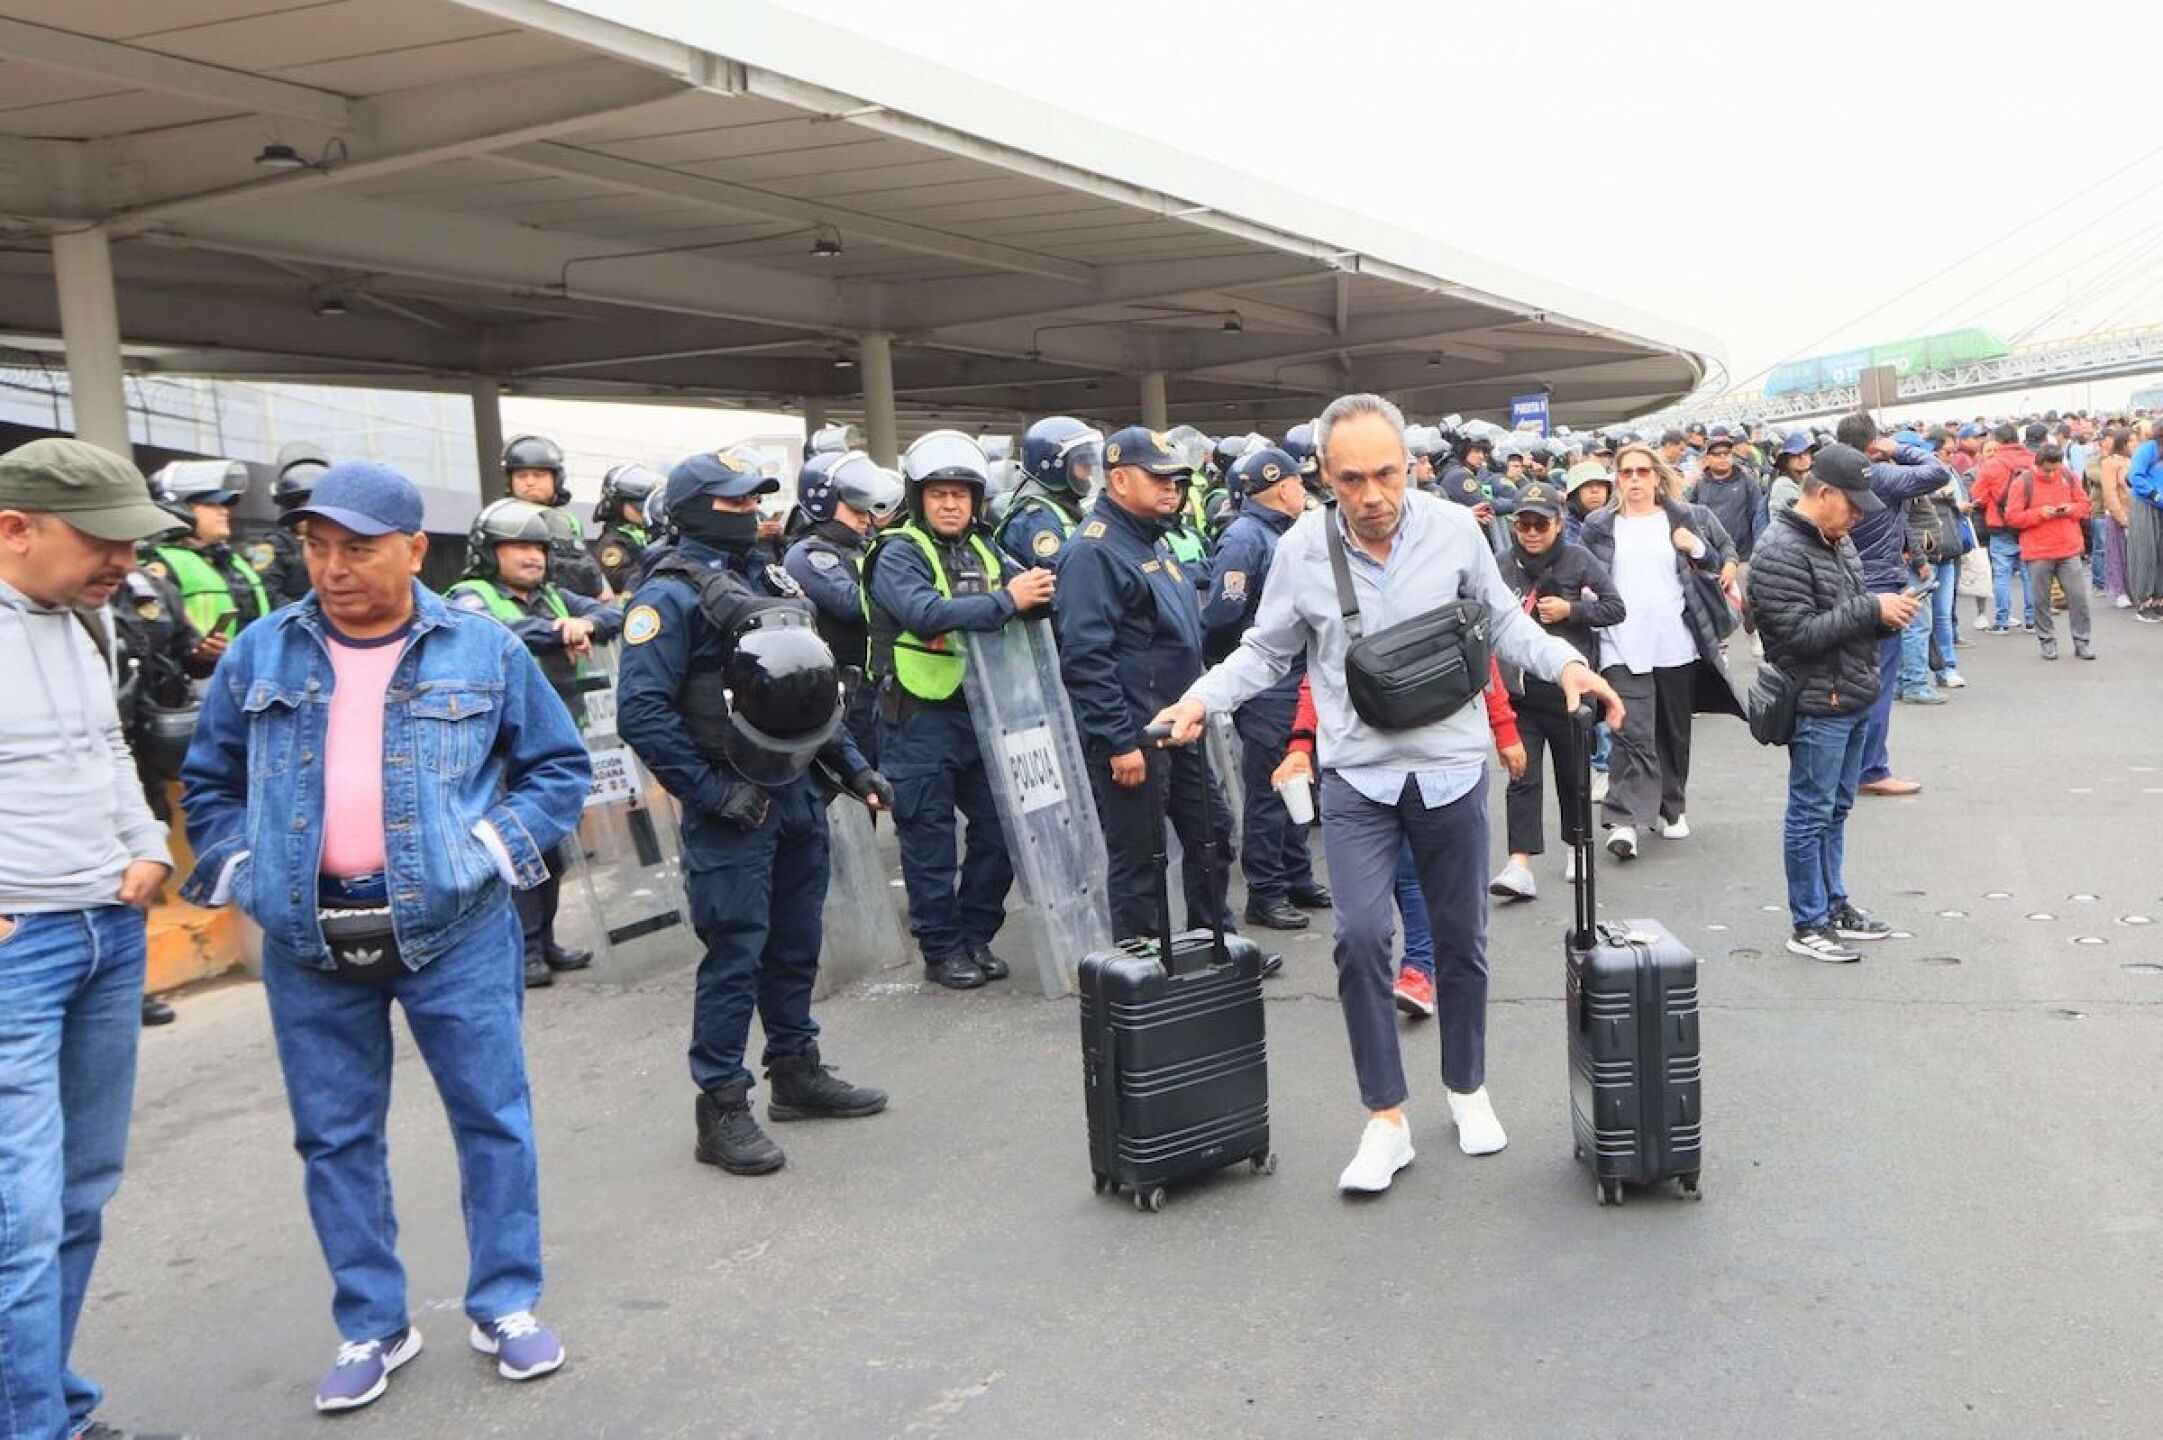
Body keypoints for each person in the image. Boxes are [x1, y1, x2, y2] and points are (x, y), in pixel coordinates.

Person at [179, 462, 590, 1415]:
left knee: (491, 1115)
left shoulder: (483, 650)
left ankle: (505, 1304)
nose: (332, 568)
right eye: (316, 548)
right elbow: (210, 781)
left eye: (356, 549)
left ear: (414, 550)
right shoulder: (260, 653)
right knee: (334, 1136)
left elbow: (556, 768)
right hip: (308, 941)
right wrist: (247, 877)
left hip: (456, 929)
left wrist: (484, 853)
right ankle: (372, 1321)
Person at [1153, 393, 1623, 1197]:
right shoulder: (1300, 548)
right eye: (1350, 480)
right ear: (1323, 477)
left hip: (1448, 770)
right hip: (1356, 778)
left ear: (1410, 467)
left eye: (1385, 474)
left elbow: (1505, 626)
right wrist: (1202, 698)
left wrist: (1566, 666)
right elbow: (1266, 652)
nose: (1371, 496)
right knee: (1362, 937)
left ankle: (1467, 1087)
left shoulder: (1454, 530)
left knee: (1460, 940)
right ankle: (1384, 1118)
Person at [615, 451, 891, 1178]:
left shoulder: (768, 578)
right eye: (732, 502)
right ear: (692, 510)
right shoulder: (666, 598)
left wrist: (854, 767)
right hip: (732, 801)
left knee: (795, 942)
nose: (748, 512)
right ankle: (722, 1106)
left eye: (752, 502)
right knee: (736, 952)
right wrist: (711, 794)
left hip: (797, 787)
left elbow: (808, 688)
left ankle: (795, 1071)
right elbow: (641, 713)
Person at [0, 438, 182, 1440]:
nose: (123, 560)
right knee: (14, 1223)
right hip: (17, 945)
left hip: (105, 934)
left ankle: (49, 1400)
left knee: (77, 1197)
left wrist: (144, 844)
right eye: (101, 539)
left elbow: (108, 746)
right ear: (13, 529)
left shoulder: (85, 621)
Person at [862, 432, 1051, 991]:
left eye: (961, 494)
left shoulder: (986, 547)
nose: (950, 504)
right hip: (917, 718)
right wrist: (1009, 600)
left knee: (1001, 831)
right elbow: (924, 613)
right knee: (929, 840)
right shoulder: (898, 550)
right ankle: (942, 949)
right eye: (939, 493)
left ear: (976, 500)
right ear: (919, 498)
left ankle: (975, 934)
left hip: (984, 713)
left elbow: (1036, 591)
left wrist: (1044, 589)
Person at [1060, 427, 1241, 951]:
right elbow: (1086, 657)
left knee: (1212, 834)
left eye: (1178, 480)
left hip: (1176, 726)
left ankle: (1214, 948)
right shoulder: (1094, 552)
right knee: (1140, 856)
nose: (1172, 489)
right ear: (1118, 479)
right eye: (1158, 478)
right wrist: (1118, 741)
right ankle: (1141, 967)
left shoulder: (1149, 540)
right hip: (1135, 734)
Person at [1745, 445, 1919, 963]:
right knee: (1810, 813)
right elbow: (1794, 637)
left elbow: (1845, 616)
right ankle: (1808, 921)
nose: (1860, 515)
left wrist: (1882, 614)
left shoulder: (1834, 538)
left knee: (1836, 809)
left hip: (1850, 693)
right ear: (1823, 494)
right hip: (1817, 701)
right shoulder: (1778, 549)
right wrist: (1872, 609)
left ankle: (1834, 904)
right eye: (1854, 504)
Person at [448, 498, 626, 986]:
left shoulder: (554, 595)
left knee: (551, 848)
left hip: (550, 740)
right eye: (518, 547)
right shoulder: (470, 595)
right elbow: (494, 632)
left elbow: (611, 616)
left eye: (538, 548)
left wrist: (584, 622)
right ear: (490, 552)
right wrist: (558, 630)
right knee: (516, 846)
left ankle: (544, 940)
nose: (532, 557)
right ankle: (522, 951)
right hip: (496, 746)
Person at [1578, 443, 1740, 861]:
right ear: (1617, 478)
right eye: (1626, 472)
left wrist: (1697, 549)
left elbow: (1718, 566)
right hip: (1618, 643)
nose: (1634, 479)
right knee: (1632, 732)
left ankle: (1672, 807)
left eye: (1642, 472)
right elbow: (1582, 573)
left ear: (1655, 476)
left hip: (1676, 643)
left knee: (1673, 731)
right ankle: (1626, 820)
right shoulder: (1599, 525)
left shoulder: (1685, 518)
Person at [1201, 447, 1331, 931]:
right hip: (1269, 682)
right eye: (1300, 483)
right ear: (1280, 487)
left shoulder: (1282, 532)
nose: (1305, 490)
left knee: (1298, 784)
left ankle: (1296, 876)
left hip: (1297, 677)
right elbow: (1221, 616)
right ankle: (1266, 891)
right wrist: (1233, 670)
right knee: (1270, 792)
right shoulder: (1245, 537)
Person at [1488, 480, 1626, 899]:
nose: (1530, 532)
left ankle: (1576, 849)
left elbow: (1615, 607)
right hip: (1519, 695)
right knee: (1521, 776)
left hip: (1569, 691)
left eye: (1540, 524)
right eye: (1523, 524)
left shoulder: (1578, 559)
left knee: (1574, 778)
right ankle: (1519, 864)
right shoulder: (1501, 562)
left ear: (1559, 523)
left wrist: (1573, 610)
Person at [1832, 414, 1952, 799]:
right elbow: (1937, 471)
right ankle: (1871, 769)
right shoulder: (1878, 476)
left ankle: (1845, 768)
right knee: (1877, 683)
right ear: (1871, 445)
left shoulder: (1826, 480)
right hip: (1880, 584)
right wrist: (1898, 448)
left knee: (1841, 683)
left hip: (1836, 585)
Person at [783, 450, 903, 761]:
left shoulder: (864, 547)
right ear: (824, 503)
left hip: (882, 686)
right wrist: (910, 599)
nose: (865, 517)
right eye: (854, 509)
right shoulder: (809, 553)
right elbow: (852, 604)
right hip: (849, 694)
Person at [143, 460, 271, 640]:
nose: (224, 511)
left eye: (225, 504)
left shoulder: (232, 560)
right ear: (177, 509)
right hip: (200, 668)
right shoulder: (161, 564)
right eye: (212, 504)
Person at [2002, 442, 2095, 661]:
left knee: (2078, 598)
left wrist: (2070, 509)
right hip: (2038, 550)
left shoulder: (2068, 476)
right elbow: (2012, 518)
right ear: (2037, 464)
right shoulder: (2022, 482)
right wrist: (2039, 513)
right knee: (2041, 599)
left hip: (2068, 547)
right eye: (2047, 469)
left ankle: (2082, 642)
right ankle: (2047, 641)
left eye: (2055, 468)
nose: (2052, 473)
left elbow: (2084, 505)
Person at [501, 434, 608, 599]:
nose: (530, 482)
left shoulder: (568, 521)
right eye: (521, 476)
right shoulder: (502, 520)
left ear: (556, 479)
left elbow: (583, 561)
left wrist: (602, 589)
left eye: (539, 475)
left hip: (576, 603)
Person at [994, 417, 1103, 569]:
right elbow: (1066, 574)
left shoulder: (1064, 507)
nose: (1090, 471)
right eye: (1083, 463)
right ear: (1055, 467)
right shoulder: (1036, 519)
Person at [1969, 422, 2038, 633]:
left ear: (1998, 441)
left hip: (2000, 525)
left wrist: (1994, 501)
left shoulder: (1991, 464)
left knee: (2001, 574)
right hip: (2029, 524)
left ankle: (2001, 621)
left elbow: (1977, 496)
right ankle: (2031, 620)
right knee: (2030, 574)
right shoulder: (2033, 461)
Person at [256, 440, 329, 608]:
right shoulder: (272, 546)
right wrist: (304, 614)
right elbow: (267, 591)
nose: (311, 516)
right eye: (304, 507)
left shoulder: (335, 543)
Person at [589, 462, 664, 595]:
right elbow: (624, 578)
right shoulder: (611, 543)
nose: (645, 512)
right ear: (616, 504)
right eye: (638, 508)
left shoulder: (651, 533)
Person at [2126, 420, 2163, 622]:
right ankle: (2144, 602)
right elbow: (2135, 476)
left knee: (2161, 554)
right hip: (2146, 504)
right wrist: (2155, 495)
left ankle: (2159, 599)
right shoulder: (2148, 449)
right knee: (2145, 553)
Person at [2097, 428, 2132, 609]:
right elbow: (2110, 493)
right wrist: (2121, 517)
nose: (2136, 444)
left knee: (2134, 555)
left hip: (2138, 513)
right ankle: (2120, 591)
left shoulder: (2134, 460)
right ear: (2123, 443)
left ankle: (2134, 588)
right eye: (2132, 441)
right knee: (2118, 554)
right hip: (2120, 514)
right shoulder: (2109, 462)